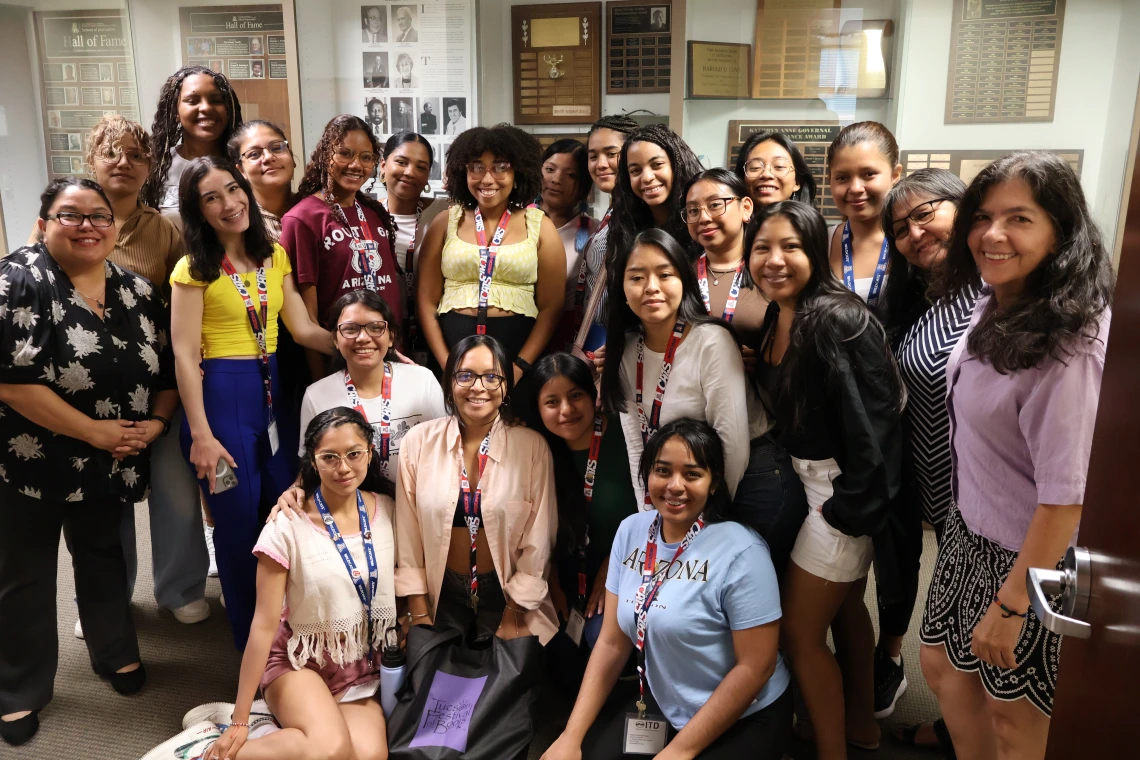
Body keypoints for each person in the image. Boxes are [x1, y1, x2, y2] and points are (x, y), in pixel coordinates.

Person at [919, 152, 1114, 760]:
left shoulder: (1070, 344)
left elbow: (1066, 496)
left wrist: (1012, 603)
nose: (992, 234)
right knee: (943, 671)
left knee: (1014, 716)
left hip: (1035, 560)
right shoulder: (995, 298)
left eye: (1019, 219)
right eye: (982, 216)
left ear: (1061, 230)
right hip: (970, 534)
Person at [0, 179, 177, 746]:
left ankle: (114, 652)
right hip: (31, 461)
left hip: (114, 458)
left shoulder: (138, 290)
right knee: (23, 576)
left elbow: (168, 369)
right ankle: (19, 690)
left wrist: (157, 423)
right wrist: (94, 433)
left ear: (116, 226)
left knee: (105, 555)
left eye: (99, 216)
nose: (87, 226)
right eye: (70, 215)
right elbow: (12, 382)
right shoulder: (17, 280)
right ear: (45, 220)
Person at [749, 200, 910, 759]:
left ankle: (831, 750)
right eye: (762, 247)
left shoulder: (835, 319)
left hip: (842, 494)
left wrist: (849, 512)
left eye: (790, 247)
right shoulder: (780, 310)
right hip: (814, 483)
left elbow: (878, 428)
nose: (774, 260)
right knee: (844, 609)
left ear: (815, 252)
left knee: (797, 632)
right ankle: (860, 726)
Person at [541, 419, 793, 760]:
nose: (675, 486)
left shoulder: (743, 551)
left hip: (747, 714)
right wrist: (571, 736)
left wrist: (680, 751)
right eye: (663, 471)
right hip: (665, 704)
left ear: (713, 482)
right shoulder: (631, 530)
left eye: (692, 474)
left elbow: (756, 667)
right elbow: (613, 643)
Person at [152, 408, 395, 760]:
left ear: (370, 453)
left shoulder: (387, 510)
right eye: (330, 457)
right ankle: (208, 748)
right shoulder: (286, 526)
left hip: (358, 666)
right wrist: (239, 721)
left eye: (354, 454)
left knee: (369, 756)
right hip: (299, 662)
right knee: (329, 751)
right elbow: (264, 626)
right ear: (312, 460)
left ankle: (270, 727)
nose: (344, 467)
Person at [170, 156, 333, 650]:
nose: (229, 204)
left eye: (232, 190)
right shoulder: (192, 268)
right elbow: (183, 351)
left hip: (274, 394)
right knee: (239, 532)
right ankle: (252, 650)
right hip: (222, 400)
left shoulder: (274, 254)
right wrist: (201, 434)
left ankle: (293, 634)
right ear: (197, 212)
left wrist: (363, 344)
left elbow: (302, 329)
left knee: (290, 513)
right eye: (211, 198)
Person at [872, 169, 972, 739]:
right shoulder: (936, 294)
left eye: (925, 214)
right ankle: (957, 732)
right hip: (947, 505)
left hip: (988, 508)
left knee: (961, 640)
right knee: (951, 641)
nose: (913, 232)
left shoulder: (994, 294)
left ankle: (967, 736)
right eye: (901, 228)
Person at [600, 229, 784, 539]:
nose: (651, 288)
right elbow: (637, 445)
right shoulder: (626, 350)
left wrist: (702, 519)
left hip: (748, 478)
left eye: (665, 274)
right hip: (687, 486)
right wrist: (650, 516)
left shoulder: (711, 340)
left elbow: (732, 444)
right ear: (621, 288)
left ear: (684, 281)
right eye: (636, 278)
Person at [396, 334, 558, 645]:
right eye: (466, 375)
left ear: (506, 386)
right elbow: (407, 532)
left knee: (499, 688)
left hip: (507, 594)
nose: (478, 387)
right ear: (450, 382)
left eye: (491, 377)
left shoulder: (531, 447)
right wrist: (418, 610)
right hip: (439, 593)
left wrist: (513, 612)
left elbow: (539, 538)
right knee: (438, 688)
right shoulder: (418, 442)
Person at [416, 124, 565, 403]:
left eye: (500, 167)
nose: (487, 178)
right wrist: (448, 365)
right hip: (454, 355)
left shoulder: (540, 226)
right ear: (464, 172)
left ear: (517, 173)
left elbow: (551, 307)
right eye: (477, 167)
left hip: (517, 356)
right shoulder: (445, 222)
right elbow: (425, 302)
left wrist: (520, 366)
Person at [529, 353, 638, 693]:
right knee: (559, 655)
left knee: (600, 632)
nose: (566, 410)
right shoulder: (536, 450)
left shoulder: (625, 435)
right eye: (552, 401)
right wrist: (553, 582)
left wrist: (614, 566)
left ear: (593, 395)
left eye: (576, 395)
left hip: (625, 564)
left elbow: (649, 513)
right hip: (567, 575)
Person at [279, 115, 402, 380]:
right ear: (326, 155)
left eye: (366, 157)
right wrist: (321, 379)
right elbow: (309, 317)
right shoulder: (303, 218)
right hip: (339, 361)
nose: (356, 165)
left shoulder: (374, 211)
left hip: (389, 354)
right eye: (345, 154)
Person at [299, 290, 446, 485]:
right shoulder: (317, 395)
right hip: (354, 507)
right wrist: (295, 490)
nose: (363, 338)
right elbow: (310, 467)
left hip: (419, 499)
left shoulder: (423, 381)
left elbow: (446, 449)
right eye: (350, 329)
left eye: (375, 328)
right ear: (335, 338)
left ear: (391, 336)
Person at [142, 66, 244, 220]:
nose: (206, 108)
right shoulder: (157, 166)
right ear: (176, 111)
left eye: (216, 100)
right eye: (192, 101)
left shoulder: (243, 163)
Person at [379, 132, 445, 364]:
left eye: (421, 167)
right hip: (384, 333)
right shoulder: (367, 216)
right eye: (401, 162)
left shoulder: (444, 212)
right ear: (383, 165)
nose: (410, 172)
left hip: (437, 332)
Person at [680, 168, 766, 346]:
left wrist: (762, 361)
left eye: (715, 205)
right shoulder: (680, 274)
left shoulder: (768, 270)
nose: (703, 218)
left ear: (746, 208)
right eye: (693, 210)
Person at [826, 121, 902, 308]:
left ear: (895, 175)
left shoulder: (913, 240)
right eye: (842, 178)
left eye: (868, 174)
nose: (856, 188)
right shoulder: (821, 242)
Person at [577, 115, 639, 336]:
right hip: (598, 334)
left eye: (612, 154)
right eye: (593, 156)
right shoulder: (615, 209)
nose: (601, 164)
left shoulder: (639, 213)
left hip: (622, 338)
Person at [538, 138, 596, 347]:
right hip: (517, 330)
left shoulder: (595, 232)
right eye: (550, 169)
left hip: (566, 339)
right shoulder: (515, 221)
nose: (556, 179)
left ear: (583, 187)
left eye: (570, 175)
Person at [229, 120, 297, 241]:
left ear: (291, 158)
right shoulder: (237, 223)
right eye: (254, 154)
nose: (268, 157)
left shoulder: (318, 210)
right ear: (241, 171)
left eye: (276, 148)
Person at [732, 130, 815, 208]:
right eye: (755, 167)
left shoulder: (813, 223)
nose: (766, 174)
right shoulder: (728, 223)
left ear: (797, 182)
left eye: (779, 167)